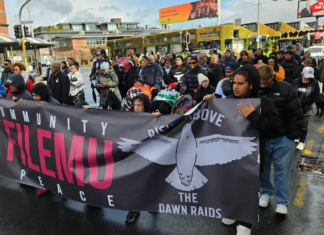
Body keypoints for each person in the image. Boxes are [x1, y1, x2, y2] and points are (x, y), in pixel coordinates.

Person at [204, 65, 282, 235]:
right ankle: (230, 212)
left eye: (241, 83)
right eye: (234, 83)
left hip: (252, 159)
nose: (236, 87)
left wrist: (254, 116)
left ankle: (245, 222)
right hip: (228, 157)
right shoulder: (227, 101)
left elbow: (276, 128)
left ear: (251, 85)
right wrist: (210, 103)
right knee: (228, 186)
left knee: (247, 190)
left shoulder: (263, 103)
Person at [257, 65, 303, 215]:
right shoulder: (255, 89)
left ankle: (282, 202)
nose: (262, 85)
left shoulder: (286, 89)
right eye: (260, 82)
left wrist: (292, 136)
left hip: (283, 137)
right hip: (262, 137)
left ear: (273, 77)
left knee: (282, 171)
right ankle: (265, 193)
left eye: (265, 82)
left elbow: (296, 113)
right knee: (262, 169)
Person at [292, 67, 320, 150]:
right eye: (306, 75)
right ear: (302, 74)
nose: (307, 77)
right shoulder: (295, 81)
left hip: (307, 107)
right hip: (295, 106)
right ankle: (296, 136)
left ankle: (302, 141)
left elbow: (315, 96)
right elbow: (291, 92)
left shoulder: (315, 83)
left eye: (309, 76)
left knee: (304, 125)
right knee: (296, 123)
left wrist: (302, 102)